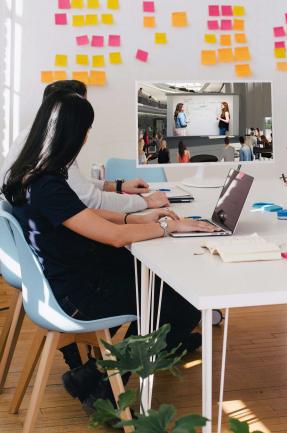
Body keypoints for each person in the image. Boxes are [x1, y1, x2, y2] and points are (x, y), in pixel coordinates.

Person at [1, 91, 218, 411]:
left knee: (155, 284)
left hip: (62, 279)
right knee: (175, 300)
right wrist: (168, 227)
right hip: (75, 296)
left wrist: (136, 217)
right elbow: (115, 236)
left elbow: (85, 216)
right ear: (73, 134)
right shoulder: (49, 184)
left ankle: (94, 373)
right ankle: (107, 389)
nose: (88, 137)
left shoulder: (29, 176)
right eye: (86, 130)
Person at [0, 80, 169, 213]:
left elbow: (73, 185)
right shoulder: (52, 147)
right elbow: (91, 201)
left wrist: (118, 186)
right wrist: (146, 202)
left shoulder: (32, 136)